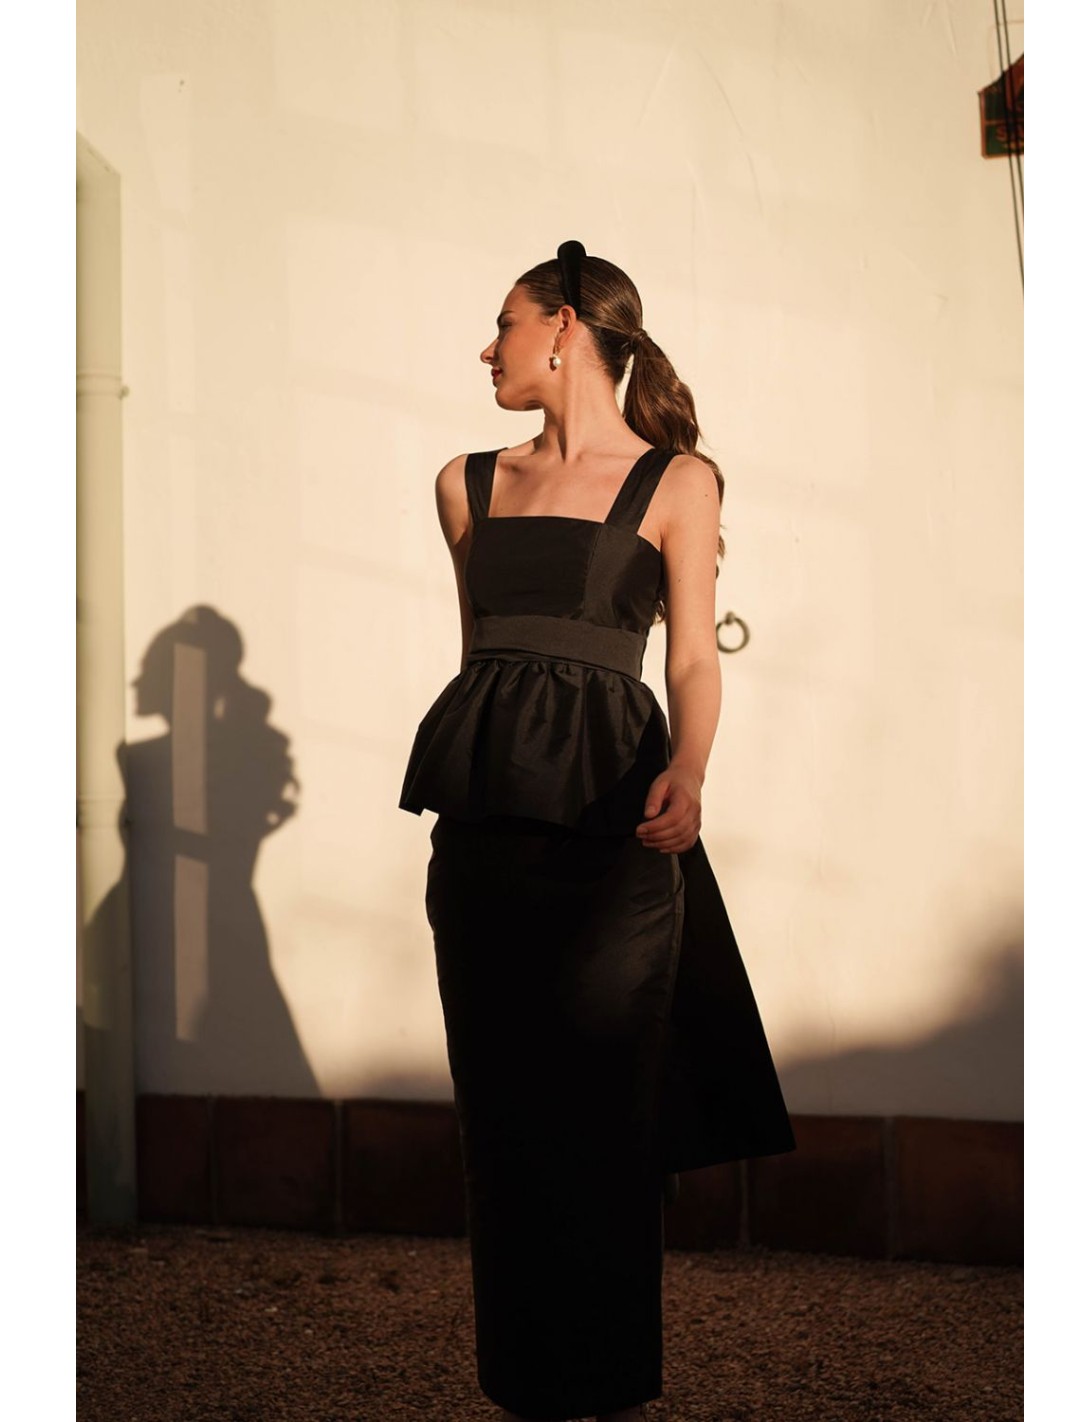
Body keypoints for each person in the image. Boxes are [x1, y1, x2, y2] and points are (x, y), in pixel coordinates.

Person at [399, 241, 795, 1422]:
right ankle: (521, 1385)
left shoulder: (679, 482)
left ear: (564, 327)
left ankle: (608, 1388)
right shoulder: (464, 483)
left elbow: (690, 656)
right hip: (484, 824)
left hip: (616, 823)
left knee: (603, 1111)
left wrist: (689, 769)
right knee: (501, 1113)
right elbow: (481, 656)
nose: (488, 348)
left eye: (505, 325)